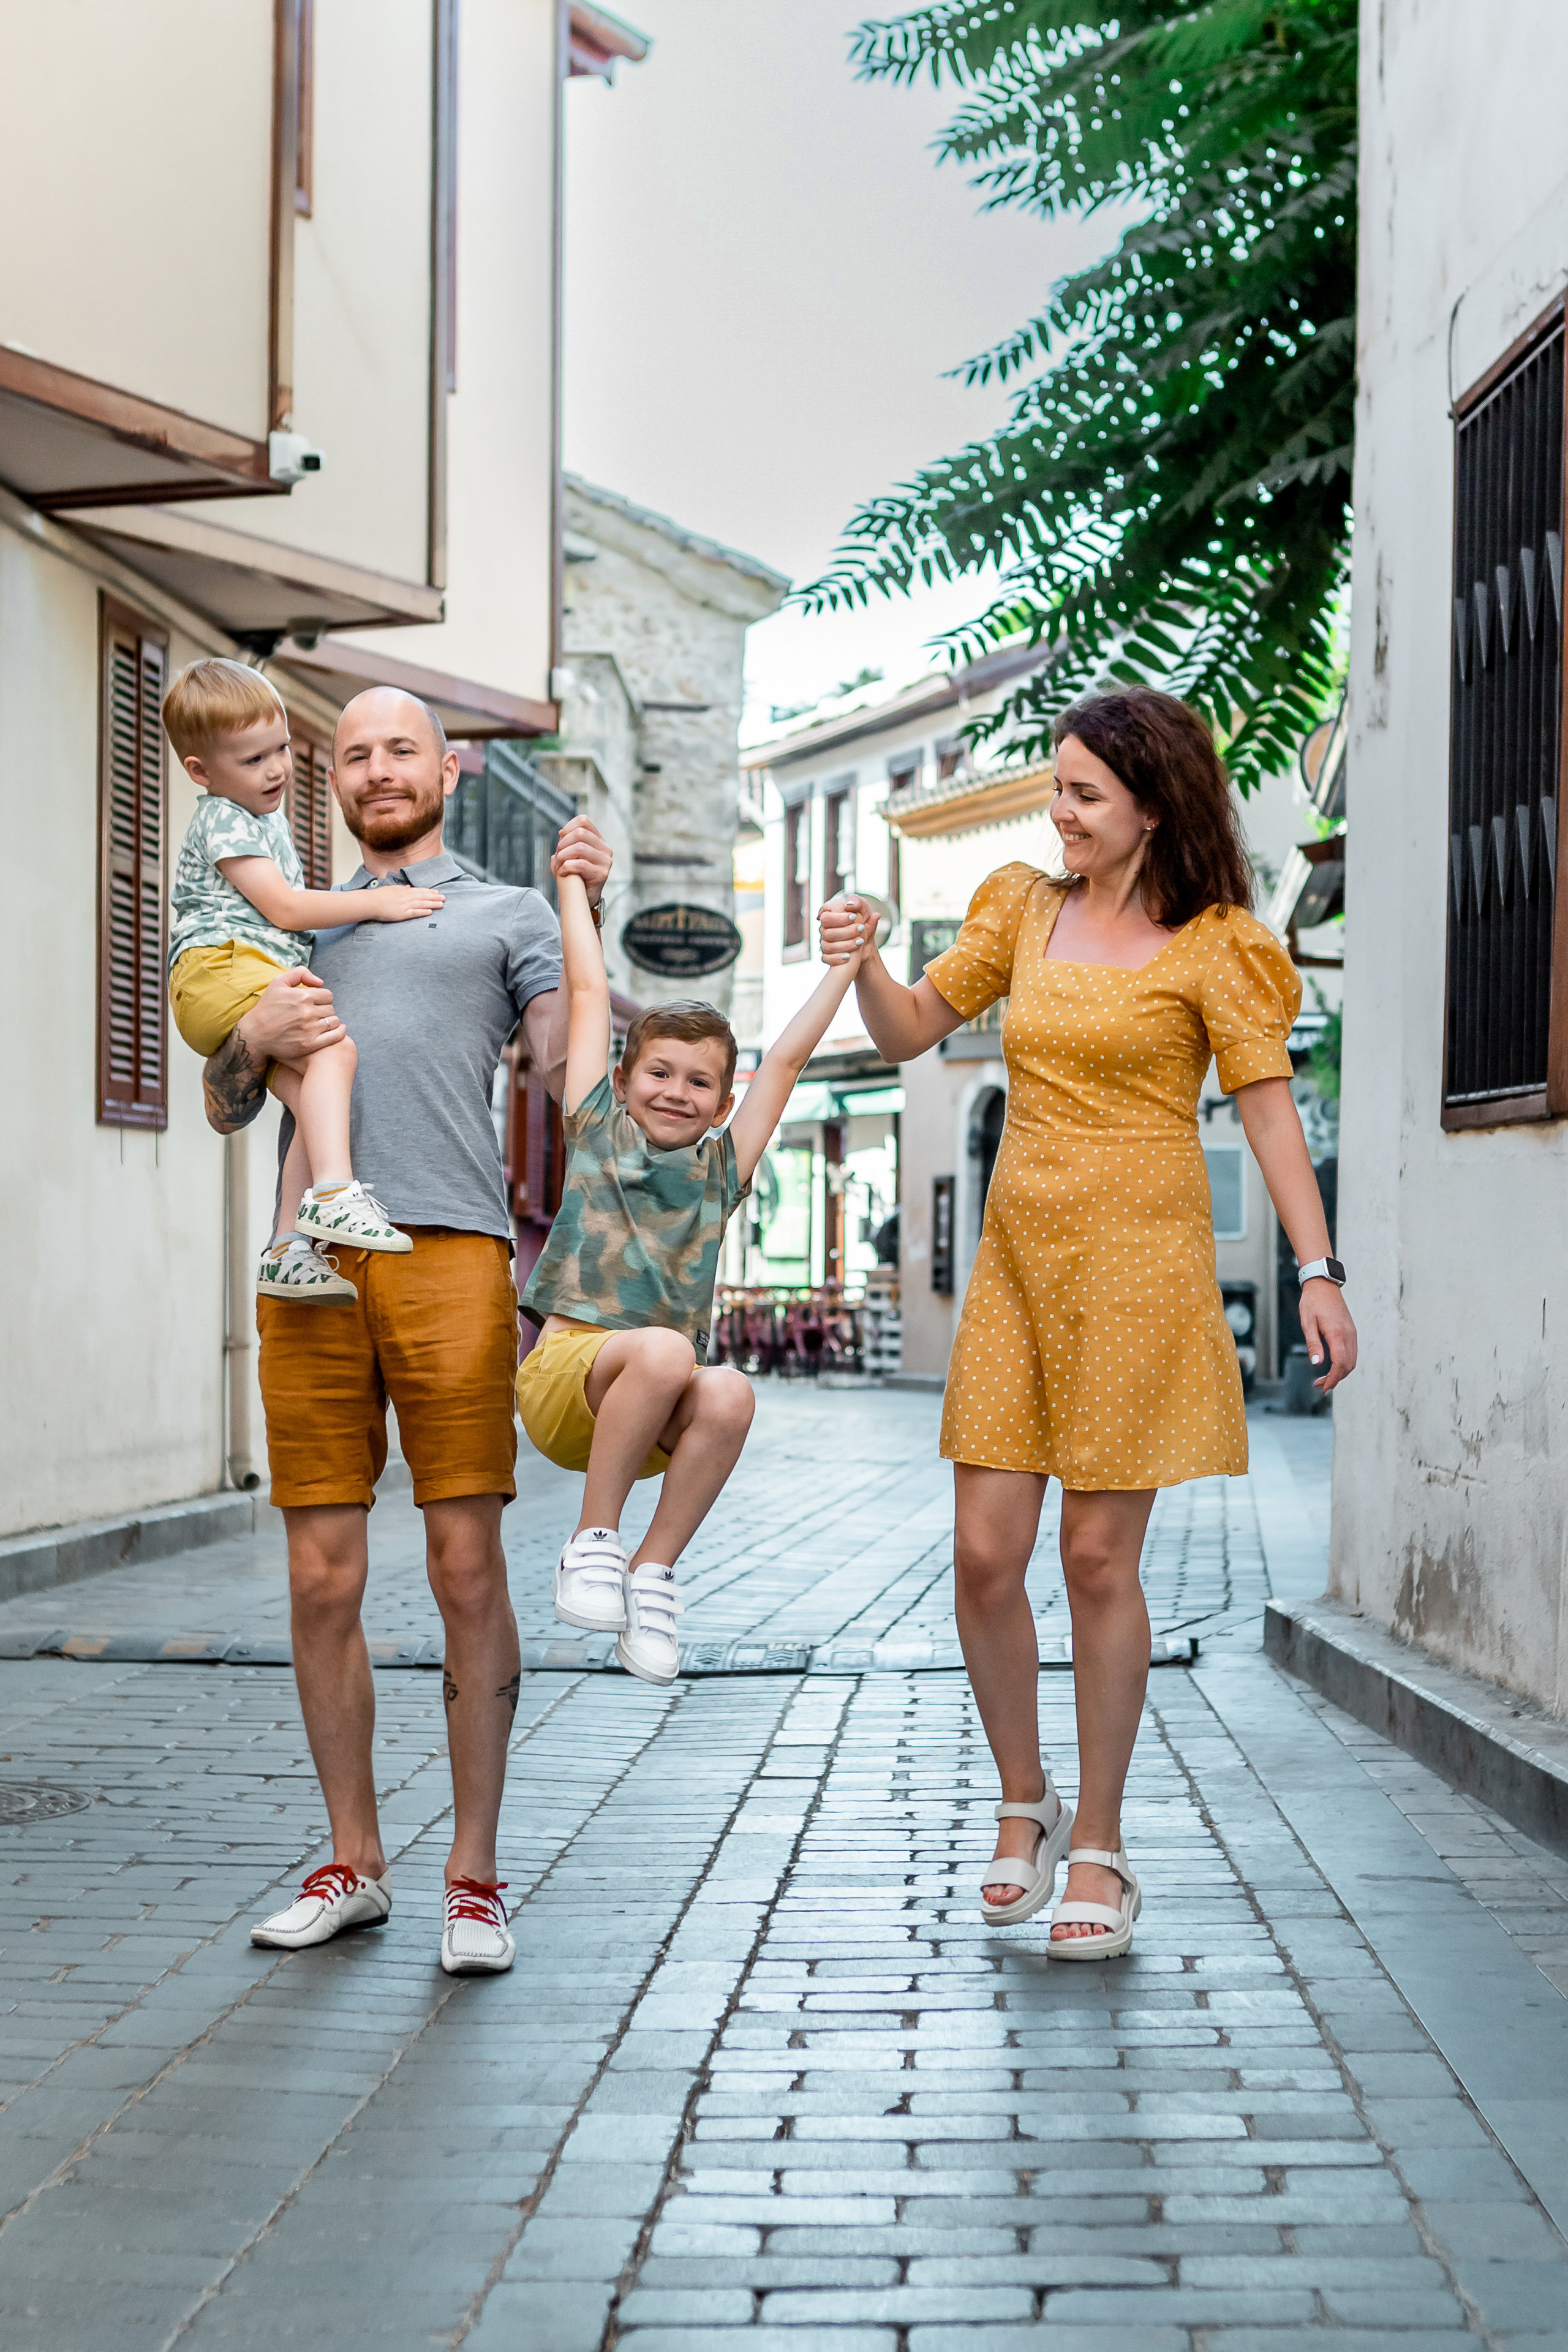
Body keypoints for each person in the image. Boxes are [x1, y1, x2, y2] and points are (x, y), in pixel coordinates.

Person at [820, 688, 1356, 1958]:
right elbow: (905, 1033)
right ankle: (1025, 1803)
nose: (1055, 813)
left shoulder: (1219, 945)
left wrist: (1316, 1267)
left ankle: (1101, 1847)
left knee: (1095, 1563)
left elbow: (1268, 1112)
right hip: (1016, 1268)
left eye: (1079, 796)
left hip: (1139, 1270)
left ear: (1151, 809)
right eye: (1053, 789)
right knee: (981, 1557)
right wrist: (857, 959)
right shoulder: (1017, 907)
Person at [202, 685, 613, 1976]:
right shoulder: (283, 917)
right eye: (354, 754)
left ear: (450, 768)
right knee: (321, 1575)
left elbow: (567, 1063)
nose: (377, 770)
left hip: (448, 1252)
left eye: (400, 751)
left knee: (462, 1567)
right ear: (332, 776)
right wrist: (247, 1041)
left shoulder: (502, 916)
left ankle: (474, 1878)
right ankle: (352, 1860)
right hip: (308, 1264)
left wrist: (583, 906)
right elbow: (227, 1104)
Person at [516, 868, 870, 1687]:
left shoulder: (720, 1173)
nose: (676, 1091)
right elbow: (588, 986)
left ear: (721, 1106)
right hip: (568, 1382)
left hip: (647, 1408)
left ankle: (652, 1575)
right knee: (670, 1353)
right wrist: (575, 885)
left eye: (700, 1082)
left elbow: (785, 1060)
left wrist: (846, 967)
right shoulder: (598, 1131)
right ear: (625, 1081)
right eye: (659, 1073)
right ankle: (591, 1543)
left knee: (733, 1391)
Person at [163, 659, 447, 1298]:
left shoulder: (258, 813)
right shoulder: (226, 817)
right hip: (222, 967)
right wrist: (378, 901)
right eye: (252, 760)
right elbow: (287, 908)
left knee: (316, 1095)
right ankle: (336, 1193)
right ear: (201, 774)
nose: (275, 771)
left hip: (237, 967)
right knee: (336, 1051)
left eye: (281, 750)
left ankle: (290, 1247)